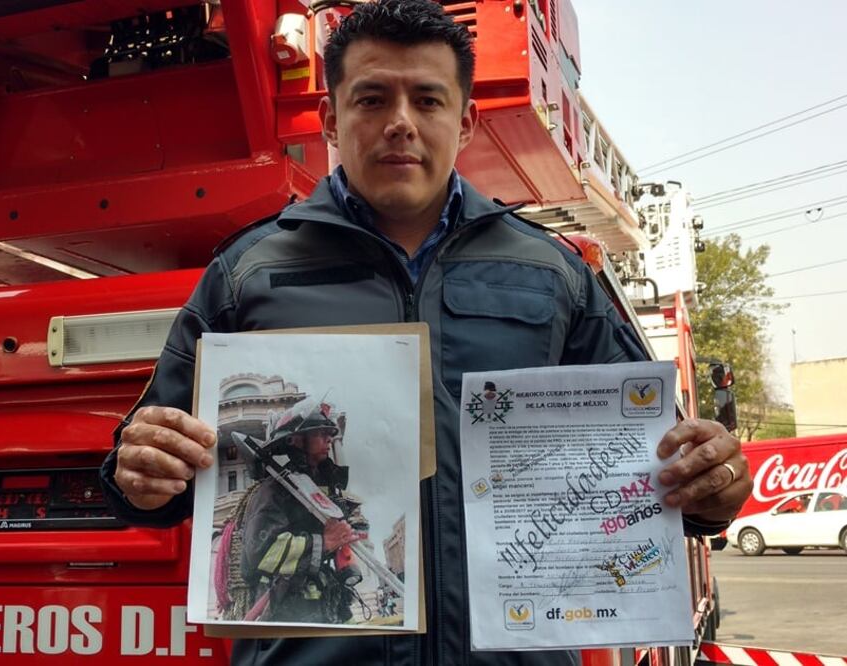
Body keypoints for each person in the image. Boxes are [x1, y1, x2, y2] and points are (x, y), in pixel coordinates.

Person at [100, 1, 754, 664]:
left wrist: (710, 484)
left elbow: (661, 462)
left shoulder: (550, 273)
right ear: (331, 117)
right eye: (372, 98)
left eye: (428, 100)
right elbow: (147, 477)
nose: (400, 124)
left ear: (464, 121)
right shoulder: (247, 272)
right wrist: (140, 471)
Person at [229, 399, 369, 624]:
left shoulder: (316, 490)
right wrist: (324, 541)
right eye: (320, 433)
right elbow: (261, 553)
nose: (329, 438)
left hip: (325, 601)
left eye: (329, 433)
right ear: (296, 439)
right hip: (284, 608)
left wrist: (346, 536)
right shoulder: (274, 489)